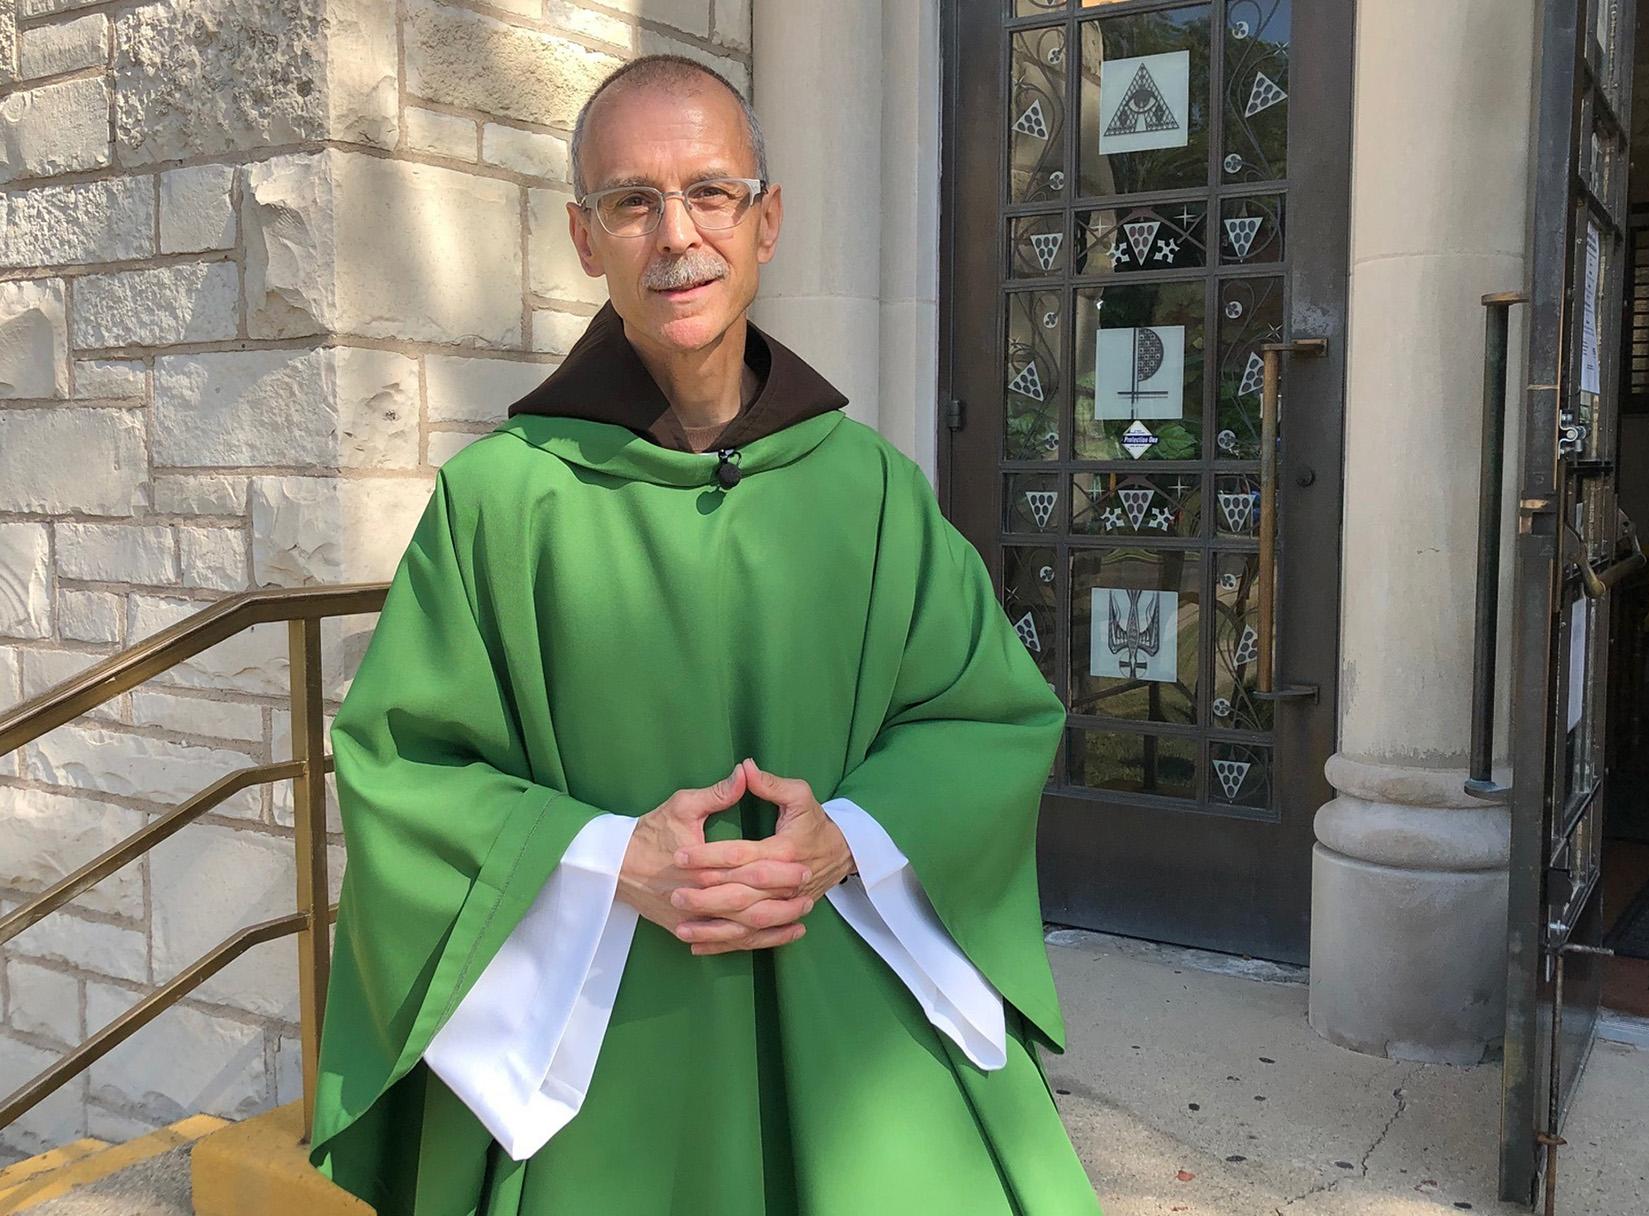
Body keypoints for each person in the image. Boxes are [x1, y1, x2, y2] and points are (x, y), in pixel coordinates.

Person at [306, 52, 1103, 1215]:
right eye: (633, 201)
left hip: (845, 1001)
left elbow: (982, 715)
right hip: (607, 1028)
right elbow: (403, 766)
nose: (676, 235)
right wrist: (609, 859)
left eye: (711, 193)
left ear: (766, 220)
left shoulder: (870, 490)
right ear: (586, 238)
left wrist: (846, 840)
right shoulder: (497, 503)